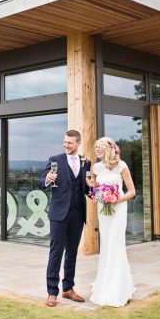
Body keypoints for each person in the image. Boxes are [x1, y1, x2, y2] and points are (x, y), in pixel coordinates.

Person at [40, 129, 92, 307]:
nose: (66, 145)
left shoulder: (86, 162)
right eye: (64, 142)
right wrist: (47, 179)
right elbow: (41, 183)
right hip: (59, 214)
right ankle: (52, 292)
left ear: (78, 143)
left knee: (71, 252)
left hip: (78, 214)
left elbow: (87, 190)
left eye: (69, 143)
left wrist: (95, 190)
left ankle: (68, 288)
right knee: (56, 252)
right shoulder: (55, 160)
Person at [86, 136, 136, 307]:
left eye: (99, 147)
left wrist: (116, 200)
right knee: (106, 245)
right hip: (103, 210)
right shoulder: (97, 167)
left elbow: (131, 192)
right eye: (96, 148)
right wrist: (92, 186)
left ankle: (118, 288)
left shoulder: (122, 166)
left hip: (118, 209)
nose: (97, 150)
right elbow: (98, 189)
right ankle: (105, 283)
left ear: (108, 149)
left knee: (115, 244)